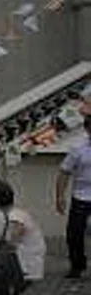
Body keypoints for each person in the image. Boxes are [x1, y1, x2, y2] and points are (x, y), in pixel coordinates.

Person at [58, 103, 91, 279]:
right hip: (81, 197)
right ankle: (77, 265)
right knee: (74, 234)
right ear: (87, 129)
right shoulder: (77, 149)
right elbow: (64, 173)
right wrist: (60, 197)